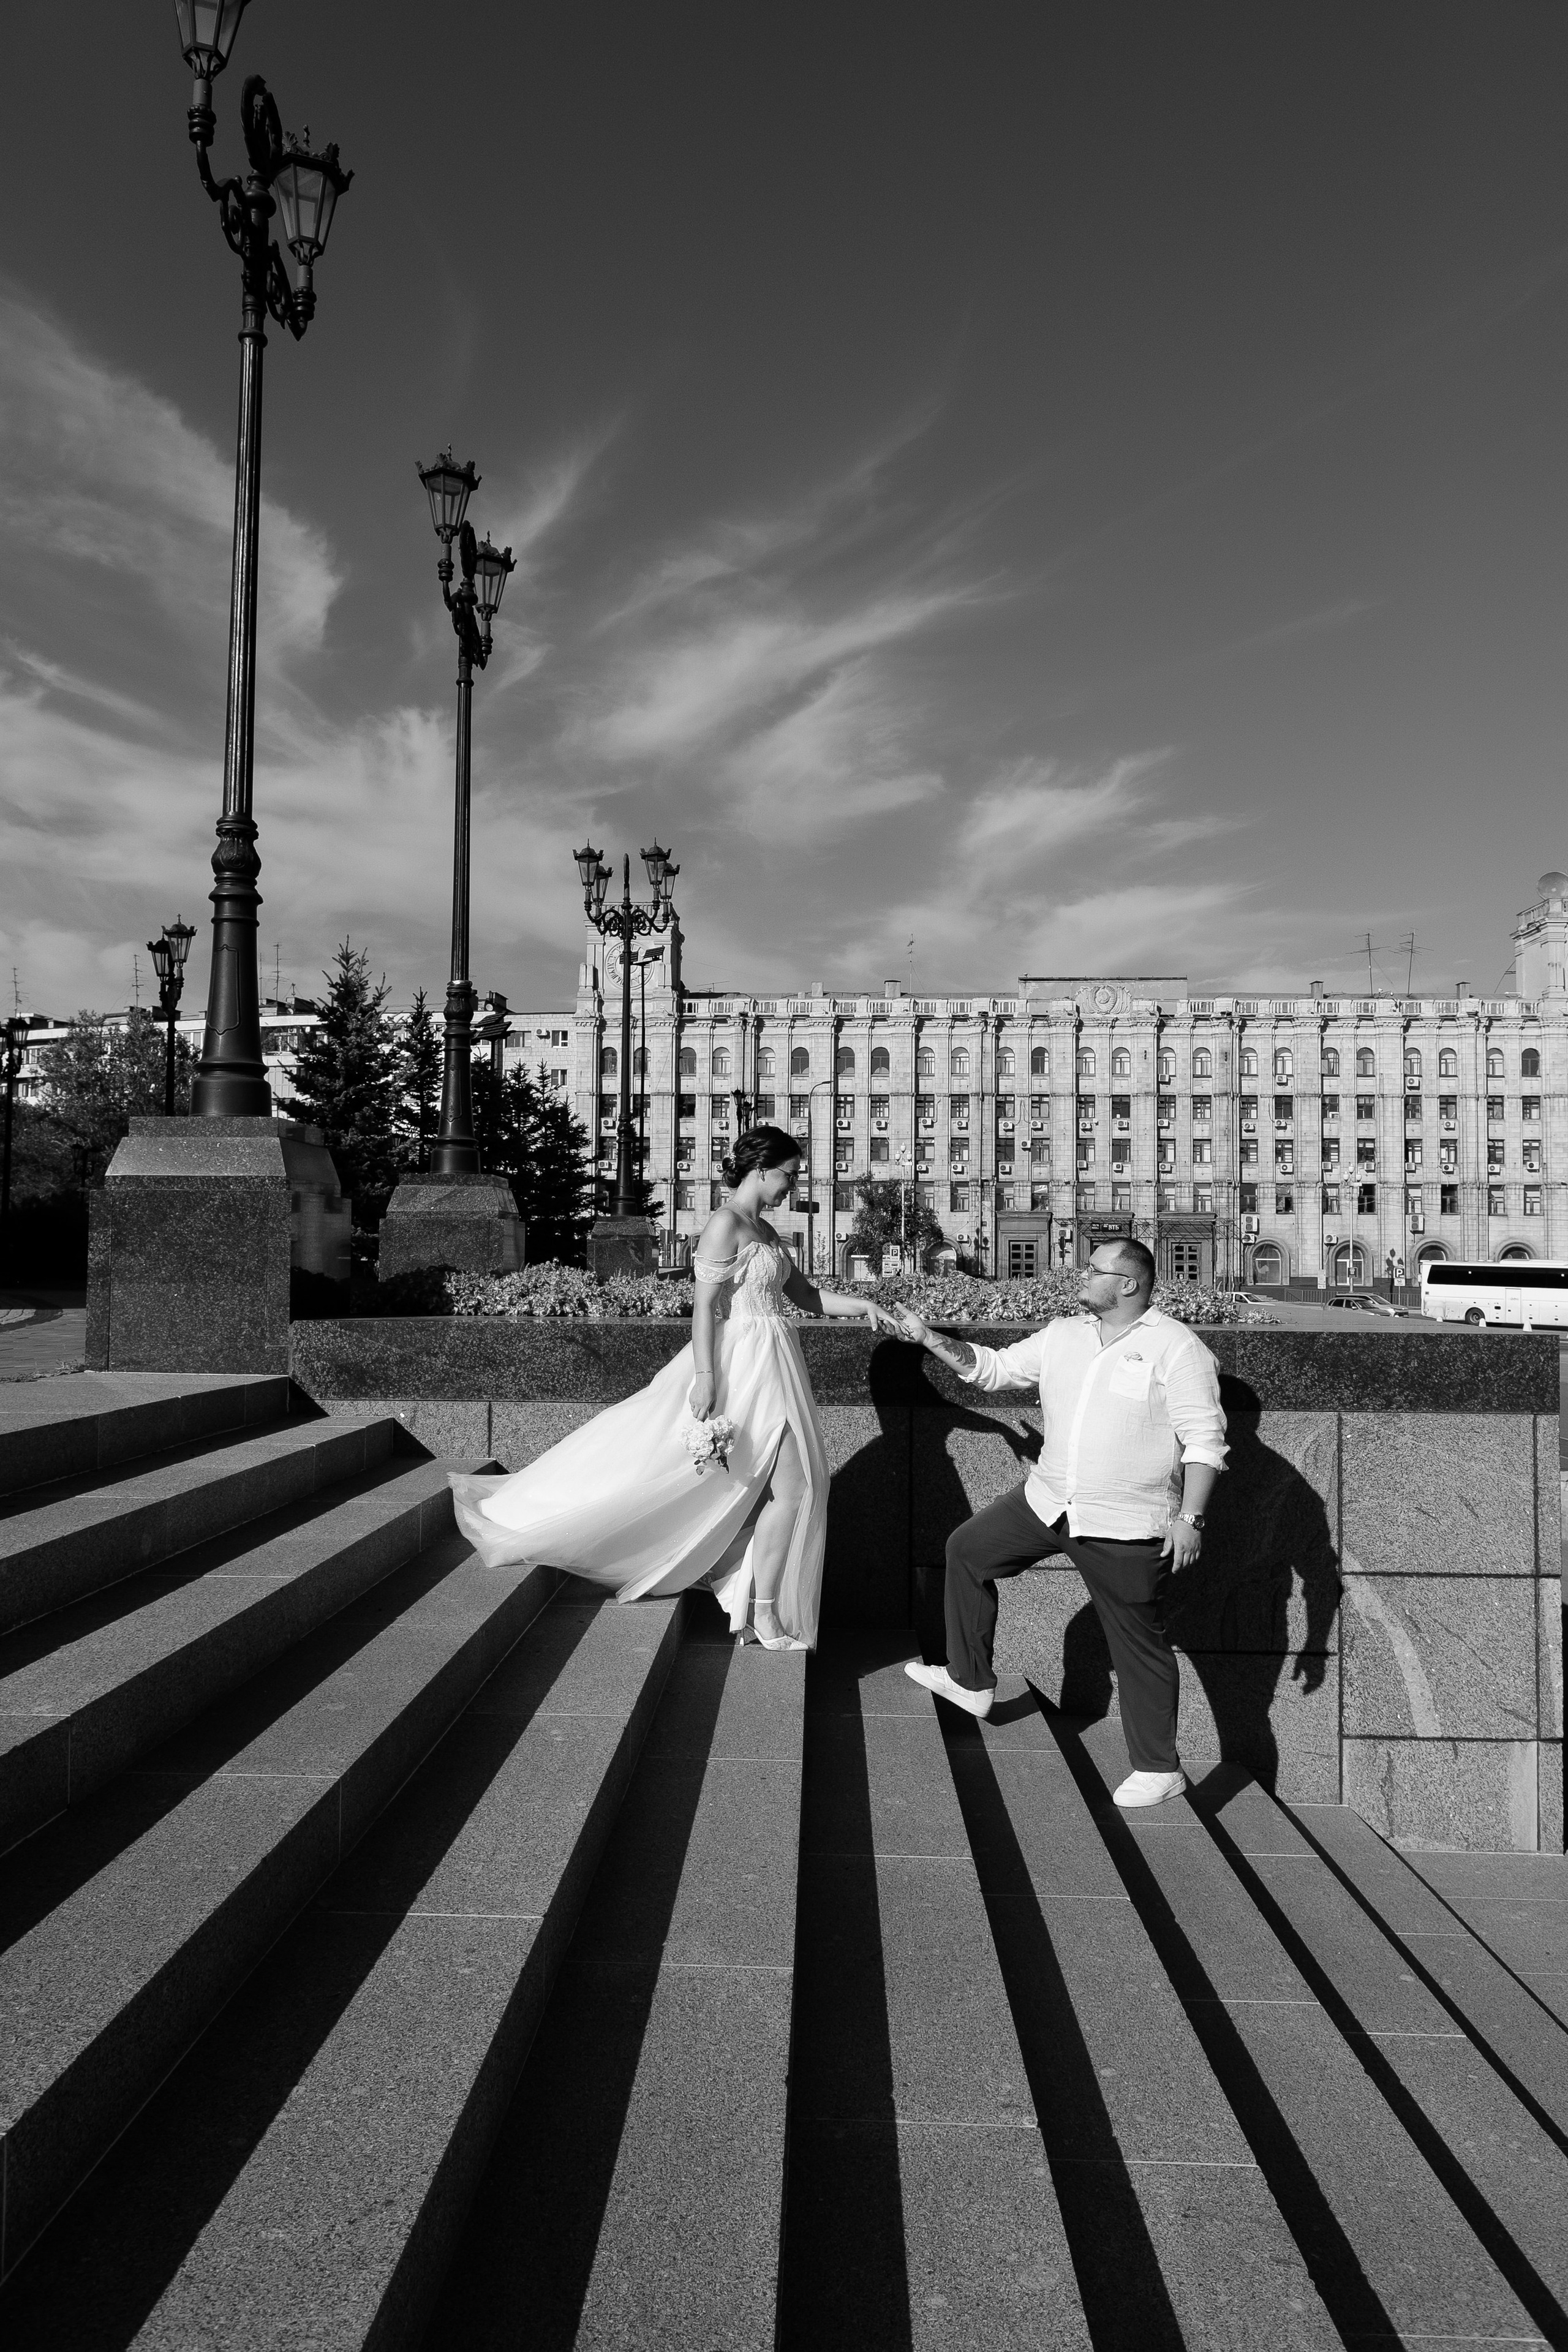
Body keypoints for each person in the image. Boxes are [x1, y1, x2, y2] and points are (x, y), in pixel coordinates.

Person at [448, 1125, 899, 1649]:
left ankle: (757, 1603)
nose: (793, 1188)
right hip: (744, 1365)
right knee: (783, 1489)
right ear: (762, 1169)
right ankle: (760, 1610)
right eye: (789, 1176)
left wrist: (865, 1306)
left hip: (776, 1361)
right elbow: (705, 1306)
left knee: (797, 1490)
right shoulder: (725, 1224)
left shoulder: (767, 1231)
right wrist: (707, 1378)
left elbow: (806, 1295)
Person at [891, 1237, 1227, 1807]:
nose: (1080, 1273)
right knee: (968, 1551)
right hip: (1047, 1501)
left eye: (1094, 1269)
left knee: (1138, 1645)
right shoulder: (1063, 1334)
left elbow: (1205, 1440)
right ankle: (971, 1681)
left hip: (1124, 1520)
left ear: (1127, 1284)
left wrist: (1191, 1518)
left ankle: (1159, 1768)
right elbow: (993, 1370)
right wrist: (929, 1339)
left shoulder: (1178, 1348)